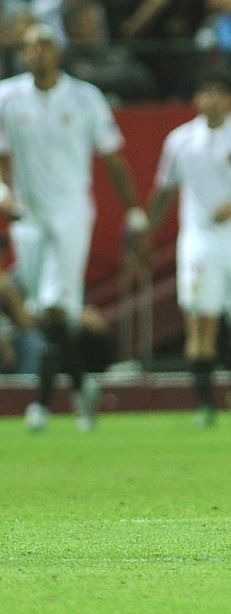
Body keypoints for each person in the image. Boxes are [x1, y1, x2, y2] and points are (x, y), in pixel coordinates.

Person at [0, 23, 149, 431]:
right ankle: (84, 385)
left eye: (45, 45)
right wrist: (3, 193)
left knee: (54, 309)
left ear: (59, 52)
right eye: (30, 47)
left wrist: (134, 210)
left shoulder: (85, 98)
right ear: (23, 54)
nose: (37, 53)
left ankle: (41, 407)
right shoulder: (6, 97)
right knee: (43, 317)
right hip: (27, 218)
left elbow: (113, 158)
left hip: (71, 214)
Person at [147, 67, 231, 426]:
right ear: (196, 99)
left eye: (218, 92)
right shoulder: (180, 140)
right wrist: (144, 232)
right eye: (204, 92)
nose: (210, 99)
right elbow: (164, 189)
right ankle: (205, 405)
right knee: (201, 322)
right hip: (199, 242)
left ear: (229, 99)